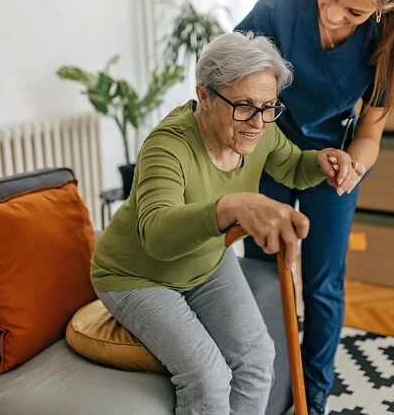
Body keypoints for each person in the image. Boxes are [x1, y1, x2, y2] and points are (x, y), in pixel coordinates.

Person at [90, 31, 362, 415]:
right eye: (245, 106)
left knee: (256, 360)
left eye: (269, 107)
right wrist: (230, 206)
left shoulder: (259, 131)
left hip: (205, 262)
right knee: (208, 378)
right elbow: (157, 235)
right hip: (138, 275)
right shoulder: (167, 148)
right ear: (204, 96)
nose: (259, 121)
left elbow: (290, 165)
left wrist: (320, 162)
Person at [236, 0, 394, 413]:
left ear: (380, 10)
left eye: (355, 11)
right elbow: (231, 77)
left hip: (331, 162)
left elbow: (370, 135)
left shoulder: (386, 46)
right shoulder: (278, 9)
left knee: (322, 282)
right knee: (264, 271)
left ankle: (312, 393)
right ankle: (269, 378)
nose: (334, 14)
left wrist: (353, 166)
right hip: (269, 151)